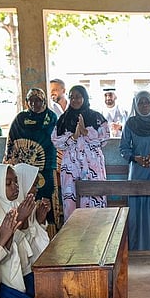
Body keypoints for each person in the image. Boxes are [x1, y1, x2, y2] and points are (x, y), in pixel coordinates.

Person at [3, 88, 60, 230]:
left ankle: (48, 232)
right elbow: (11, 140)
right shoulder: (20, 118)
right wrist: (9, 161)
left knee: (46, 198)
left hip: (45, 167)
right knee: (25, 197)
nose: (34, 103)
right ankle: (26, 230)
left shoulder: (51, 117)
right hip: (23, 168)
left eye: (38, 100)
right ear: (26, 102)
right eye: (31, 100)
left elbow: (54, 140)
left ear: (44, 101)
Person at [51, 85, 110, 221]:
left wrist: (85, 132)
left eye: (78, 97)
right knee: (71, 201)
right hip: (71, 167)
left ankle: (98, 237)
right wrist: (74, 136)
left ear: (84, 97)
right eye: (71, 97)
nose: (74, 100)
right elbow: (55, 140)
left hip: (92, 166)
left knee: (95, 199)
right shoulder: (63, 119)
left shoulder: (96, 117)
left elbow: (105, 138)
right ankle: (73, 238)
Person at [119, 91, 150, 250]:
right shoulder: (131, 123)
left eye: (147, 102)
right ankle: (137, 246)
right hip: (138, 170)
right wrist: (136, 158)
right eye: (140, 102)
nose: (144, 105)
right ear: (135, 104)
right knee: (137, 209)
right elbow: (123, 148)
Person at [0, 164, 36, 298]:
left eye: (16, 181)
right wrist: (20, 218)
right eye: (8, 183)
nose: (15, 186)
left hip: (23, 271)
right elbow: (0, 258)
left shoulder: (12, 206)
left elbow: (25, 242)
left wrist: (24, 219)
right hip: (5, 282)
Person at [13, 163, 51, 264]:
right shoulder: (13, 209)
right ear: (22, 183)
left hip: (39, 259)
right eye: (34, 185)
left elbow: (38, 236)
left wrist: (40, 219)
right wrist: (22, 219)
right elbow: (21, 244)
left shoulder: (31, 205)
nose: (36, 189)